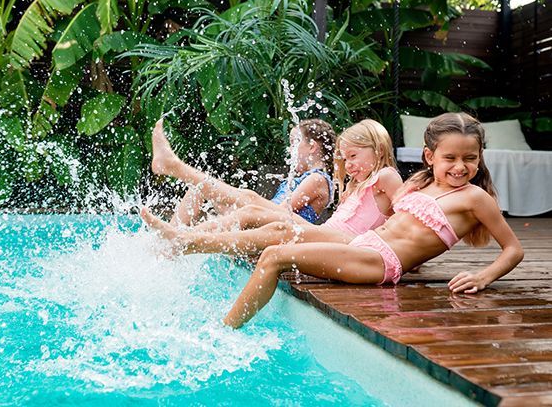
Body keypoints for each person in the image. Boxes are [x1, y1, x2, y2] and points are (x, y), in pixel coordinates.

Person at [158, 112, 525, 328]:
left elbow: (513, 250)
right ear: (429, 156)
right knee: (280, 231)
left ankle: (226, 330)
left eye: (470, 158)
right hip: (363, 244)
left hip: (383, 262)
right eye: (450, 158)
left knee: (275, 256)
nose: (461, 167)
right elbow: (394, 214)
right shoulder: (422, 184)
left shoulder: (475, 198)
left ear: (479, 157)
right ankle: (186, 242)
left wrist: (483, 275)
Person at [141, 119, 403, 255]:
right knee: (233, 198)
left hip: (318, 237)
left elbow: (409, 215)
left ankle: (175, 171)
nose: (349, 164)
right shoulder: (357, 186)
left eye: (354, 157)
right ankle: (172, 236)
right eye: (345, 158)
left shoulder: (378, 176)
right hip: (315, 234)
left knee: (250, 202)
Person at [151, 117, 336, 226]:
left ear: (312, 147)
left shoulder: (317, 179)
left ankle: (172, 166)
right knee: (200, 188)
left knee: (243, 195)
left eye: (295, 143)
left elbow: (280, 212)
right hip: (263, 222)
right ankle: (169, 241)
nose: (290, 150)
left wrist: (244, 209)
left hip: (273, 229)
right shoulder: (306, 177)